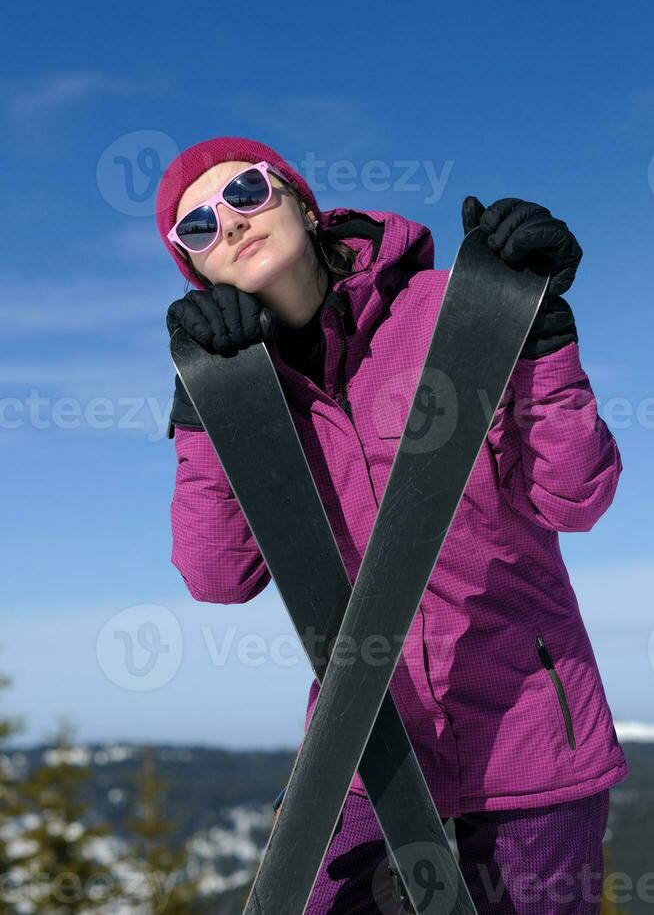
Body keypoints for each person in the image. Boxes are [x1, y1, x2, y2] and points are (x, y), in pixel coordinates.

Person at [155, 136, 628, 914]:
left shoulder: (454, 312)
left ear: (303, 204)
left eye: (245, 193)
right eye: (197, 228)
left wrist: (541, 339)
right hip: (364, 739)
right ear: (198, 272)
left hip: (532, 727)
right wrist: (205, 409)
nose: (229, 224)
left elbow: (575, 495)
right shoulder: (247, 395)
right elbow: (218, 577)